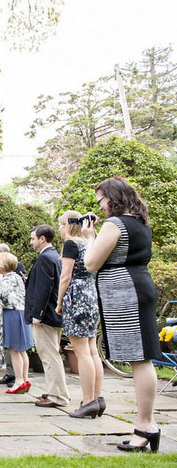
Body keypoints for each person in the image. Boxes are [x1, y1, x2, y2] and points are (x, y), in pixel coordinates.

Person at [83, 177, 161, 452]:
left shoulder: (114, 224)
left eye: (101, 200)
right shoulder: (140, 222)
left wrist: (90, 238)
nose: (100, 207)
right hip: (136, 287)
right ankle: (145, 425)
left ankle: (145, 427)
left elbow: (91, 263)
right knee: (140, 358)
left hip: (127, 294)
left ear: (112, 198)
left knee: (139, 360)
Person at [56, 211, 104, 418]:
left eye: (60, 225)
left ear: (67, 225)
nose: (59, 229)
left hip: (76, 297)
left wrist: (59, 302)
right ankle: (97, 397)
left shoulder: (71, 244)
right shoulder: (89, 242)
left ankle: (88, 400)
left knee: (82, 351)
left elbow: (65, 276)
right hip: (91, 295)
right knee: (92, 351)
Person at [25, 225, 70, 408]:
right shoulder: (54, 256)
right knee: (52, 355)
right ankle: (54, 390)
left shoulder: (45, 258)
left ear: (42, 239)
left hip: (46, 315)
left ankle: (57, 396)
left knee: (49, 356)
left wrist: (38, 314)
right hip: (53, 313)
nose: (31, 241)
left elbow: (44, 289)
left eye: (33, 238)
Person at [0, 252, 33, 394]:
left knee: (14, 350)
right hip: (21, 312)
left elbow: (6, 300)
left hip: (11, 315)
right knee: (22, 350)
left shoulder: (5, 279)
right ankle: (25, 379)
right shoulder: (18, 277)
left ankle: (19, 381)